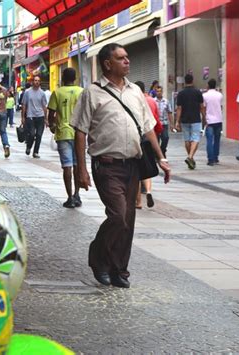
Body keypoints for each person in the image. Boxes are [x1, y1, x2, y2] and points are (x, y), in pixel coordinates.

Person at [71, 43, 171, 288]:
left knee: (127, 220)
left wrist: (162, 159)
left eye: (127, 57)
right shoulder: (92, 93)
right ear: (108, 64)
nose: (128, 61)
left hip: (133, 165)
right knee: (117, 215)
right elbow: (80, 132)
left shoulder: (135, 91)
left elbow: (148, 128)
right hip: (106, 165)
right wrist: (81, 170)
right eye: (121, 58)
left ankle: (119, 271)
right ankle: (98, 257)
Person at [47, 68, 83, 208]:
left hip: (63, 133)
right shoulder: (81, 92)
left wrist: (52, 126)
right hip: (79, 133)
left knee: (67, 166)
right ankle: (77, 194)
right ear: (75, 78)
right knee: (77, 165)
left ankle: (70, 198)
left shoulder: (57, 92)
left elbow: (51, 114)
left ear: (63, 77)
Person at [134, 81, 163, 210]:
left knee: (137, 172)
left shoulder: (134, 101)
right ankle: (149, 191)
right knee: (147, 166)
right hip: (149, 138)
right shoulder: (151, 100)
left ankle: (138, 202)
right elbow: (156, 119)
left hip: (137, 138)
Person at [175, 74, 205, 170]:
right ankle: (190, 157)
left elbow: (179, 108)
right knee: (195, 139)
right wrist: (204, 116)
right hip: (195, 119)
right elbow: (201, 106)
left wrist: (177, 121)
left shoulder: (181, 93)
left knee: (187, 140)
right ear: (192, 80)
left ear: (185, 81)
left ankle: (190, 158)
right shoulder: (198, 92)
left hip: (184, 119)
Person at [22, 76, 48, 158]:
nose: (36, 82)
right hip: (30, 116)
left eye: (38, 81)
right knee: (32, 134)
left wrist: (46, 119)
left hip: (40, 116)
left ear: (40, 82)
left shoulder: (42, 93)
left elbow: (44, 106)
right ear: (32, 82)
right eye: (35, 80)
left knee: (39, 135)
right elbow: (24, 105)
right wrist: (23, 117)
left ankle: (36, 152)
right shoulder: (27, 92)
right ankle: (29, 147)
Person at [203, 79, 223, 166]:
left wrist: (204, 119)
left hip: (209, 120)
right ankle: (216, 157)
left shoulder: (205, 95)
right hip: (218, 120)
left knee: (209, 140)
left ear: (208, 85)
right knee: (217, 140)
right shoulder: (220, 95)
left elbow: (203, 108)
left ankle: (210, 160)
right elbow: (221, 106)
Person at [155, 86, 174, 157]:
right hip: (156, 124)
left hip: (164, 123)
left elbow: (169, 113)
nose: (159, 92)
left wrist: (172, 124)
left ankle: (163, 150)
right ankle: (157, 155)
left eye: (160, 91)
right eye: (157, 91)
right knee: (156, 140)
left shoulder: (166, 101)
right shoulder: (153, 101)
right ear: (155, 92)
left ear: (162, 92)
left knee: (166, 138)